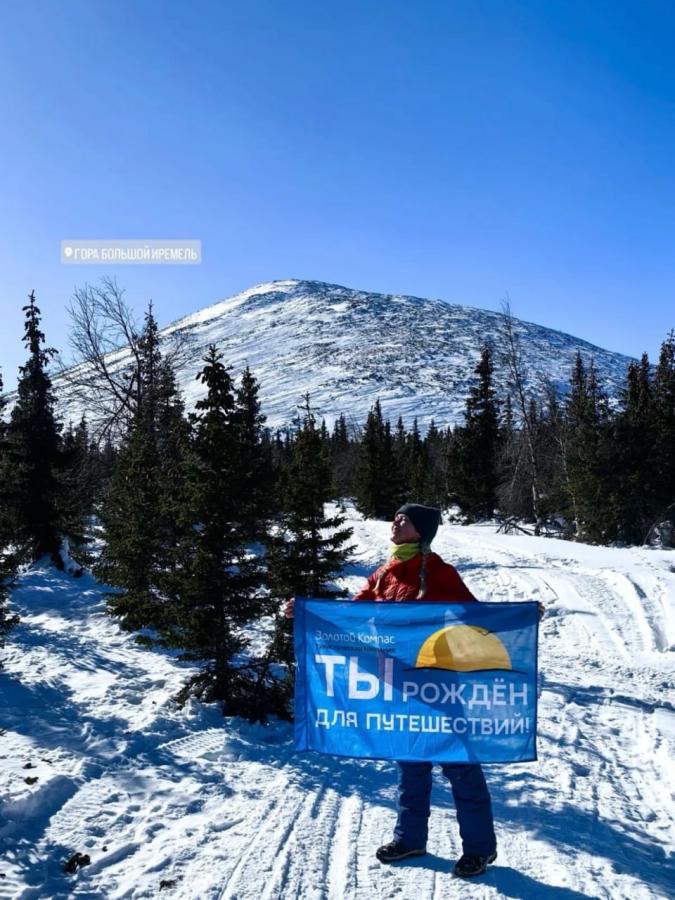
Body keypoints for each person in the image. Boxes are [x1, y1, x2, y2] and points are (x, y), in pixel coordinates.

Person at [352, 503, 498, 878]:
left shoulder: (439, 572)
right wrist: (303, 612)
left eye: (404, 518)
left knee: (460, 766)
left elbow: (475, 615)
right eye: (395, 515)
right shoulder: (385, 572)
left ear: (421, 530)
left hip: (440, 683)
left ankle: (479, 848)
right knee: (411, 764)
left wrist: (523, 616)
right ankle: (410, 838)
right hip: (400, 683)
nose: (395, 521)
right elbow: (352, 612)